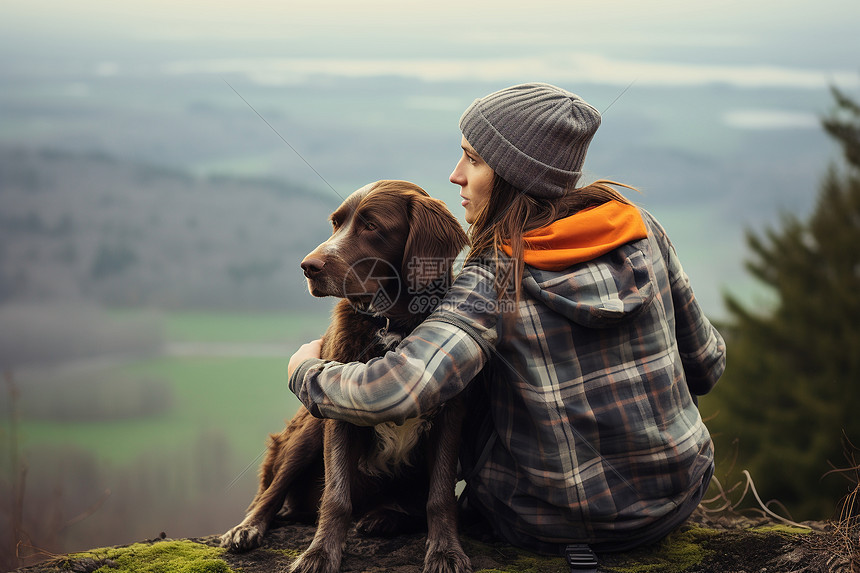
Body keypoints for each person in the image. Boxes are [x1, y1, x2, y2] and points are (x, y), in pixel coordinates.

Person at [288, 83, 725, 555]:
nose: (456, 175)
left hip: (544, 522)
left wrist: (306, 370)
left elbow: (396, 391)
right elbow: (707, 363)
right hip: (677, 497)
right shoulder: (641, 228)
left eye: (473, 159)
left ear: (515, 175)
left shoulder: (494, 278)